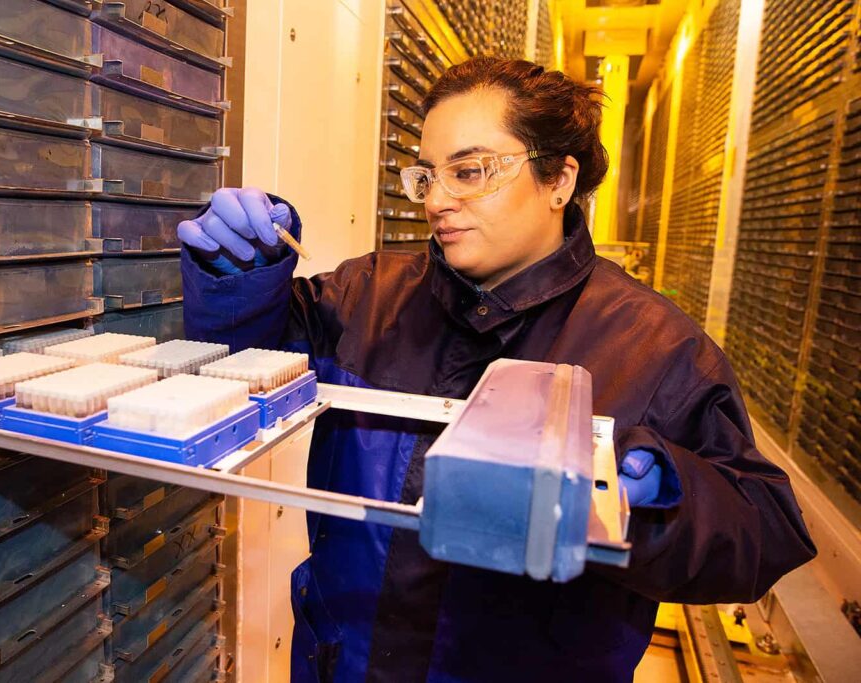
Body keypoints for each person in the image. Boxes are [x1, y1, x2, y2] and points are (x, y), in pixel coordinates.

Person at [178, 57, 816, 683]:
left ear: (559, 181)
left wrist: (651, 500)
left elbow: (764, 528)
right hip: (344, 659)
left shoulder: (654, 347)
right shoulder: (368, 294)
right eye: (427, 176)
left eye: (471, 170)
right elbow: (243, 363)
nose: (438, 201)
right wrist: (241, 275)